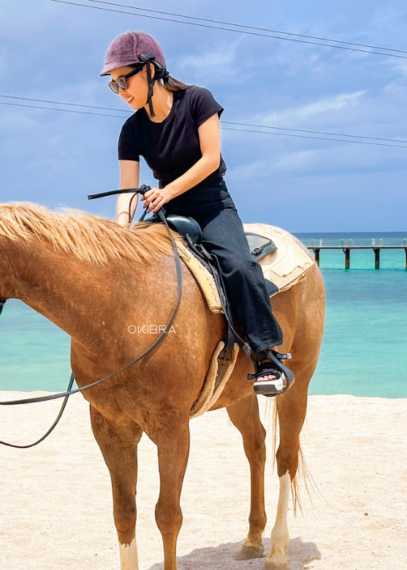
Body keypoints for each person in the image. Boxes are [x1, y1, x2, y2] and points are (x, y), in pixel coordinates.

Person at [101, 30, 293, 396]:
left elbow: (210, 160)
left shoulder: (198, 100)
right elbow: (128, 189)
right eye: (113, 85)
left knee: (238, 264)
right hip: (164, 209)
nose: (120, 89)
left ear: (152, 69)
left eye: (124, 79)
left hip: (210, 204)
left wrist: (168, 190)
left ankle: (266, 357)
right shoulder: (131, 130)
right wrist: (121, 228)